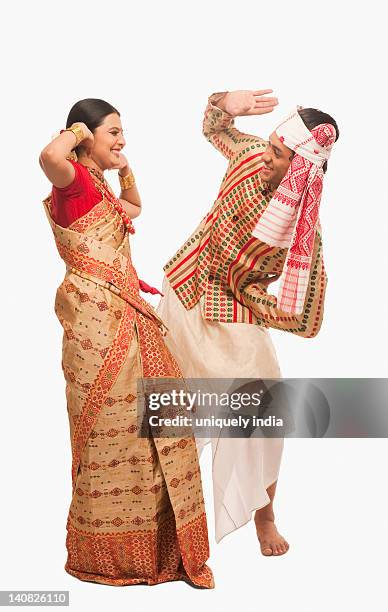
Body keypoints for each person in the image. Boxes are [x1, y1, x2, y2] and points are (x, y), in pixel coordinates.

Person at [39, 98, 214, 588]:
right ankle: (109, 555)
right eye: (112, 132)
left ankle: (159, 547)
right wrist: (75, 133)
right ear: (84, 134)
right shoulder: (70, 179)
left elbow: (134, 208)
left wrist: (124, 168)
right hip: (96, 329)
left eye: (123, 133)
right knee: (110, 434)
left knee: (152, 425)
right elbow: (49, 158)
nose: (121, 140)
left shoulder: (94, 184)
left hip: (128, 319)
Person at [157, 89, 339, 556]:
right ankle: (162, 512)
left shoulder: (303, 231)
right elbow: (215, 128)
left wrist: (254, 302)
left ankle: (266, 515)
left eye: (277, 153)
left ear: (299, 167)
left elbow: (307, 317)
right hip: (186, 284)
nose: (265, 155)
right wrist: (223, 101)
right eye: (270, 145)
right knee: (169, 405)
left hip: (233, 309)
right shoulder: (249, 155)